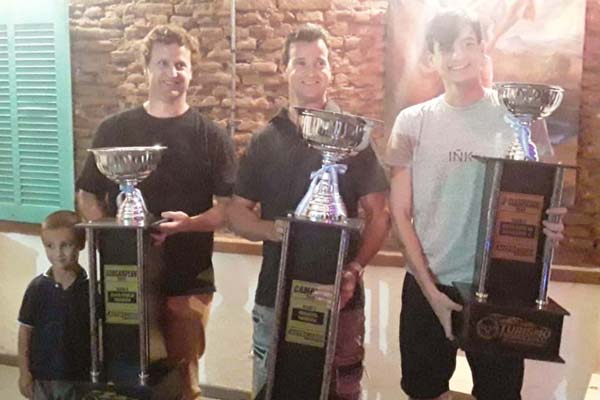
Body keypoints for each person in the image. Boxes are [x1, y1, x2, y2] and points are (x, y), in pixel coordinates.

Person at [385, 9, 566, 400]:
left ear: (484, 48)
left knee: (500, 394)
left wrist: (550, 224)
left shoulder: (521, 118)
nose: (459, 55)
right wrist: (430, 291)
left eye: (468, 43)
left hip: (499, 290)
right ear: (431, 58)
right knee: (424, 391)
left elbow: (546, 196)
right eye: (447, 47)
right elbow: (399, 213)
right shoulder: (411, 123)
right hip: (428, 283)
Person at [227, 23, 390, 400]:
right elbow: (237, 212)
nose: (311, 71)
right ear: (285, 69)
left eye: (320, 62)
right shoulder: (265, 140)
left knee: (341, 393)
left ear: (331, 70)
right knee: (273, 390)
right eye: (300, 62)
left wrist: (354, 269)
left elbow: (380, 214)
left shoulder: (353, 138)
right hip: (276, 297)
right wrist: (276, 230)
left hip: (340, 300)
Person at [76, 24, 237, 400]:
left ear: (192, 71)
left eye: (181, 64)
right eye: (162, 63)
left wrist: (190, 225)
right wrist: (115, 238)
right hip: (127, 277)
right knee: (127, 379)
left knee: (182, 383)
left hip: (188, 280)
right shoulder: (113, 130)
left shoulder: (212, 136)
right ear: (146, 67)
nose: (172, 73)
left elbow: (228, 209)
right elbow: (87, 193)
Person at [18, 210, 89, 400]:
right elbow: (25, 331)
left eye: (66, 245)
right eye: (50, 246)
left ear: (81, 244)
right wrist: (25, 373)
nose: (58, 253)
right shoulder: (37, 288)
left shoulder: (90, 290)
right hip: (43, 377)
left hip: (79, 378)